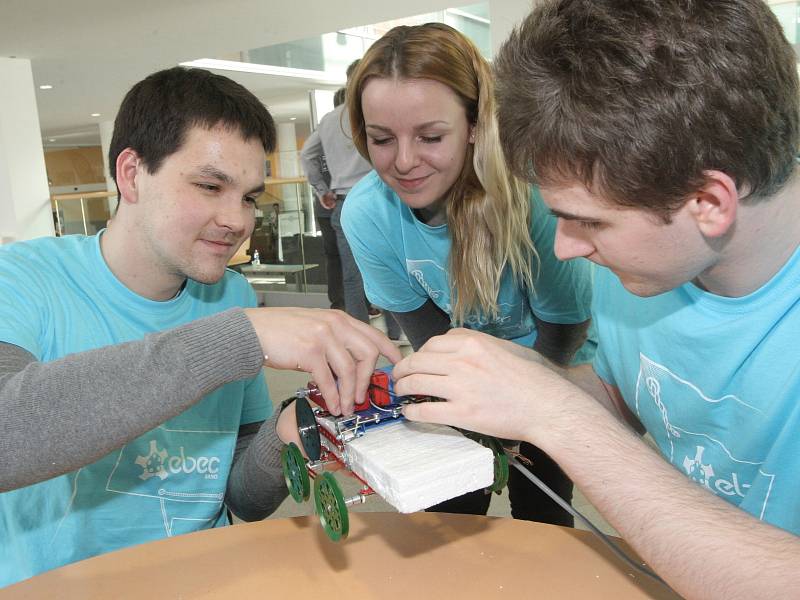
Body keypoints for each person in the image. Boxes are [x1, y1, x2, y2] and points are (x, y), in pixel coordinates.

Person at [393, 1, 800, 597]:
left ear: (709, 203)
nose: (565, 248)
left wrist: (558, 416)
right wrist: (519, 382)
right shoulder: (651, 260)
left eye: (588, 223)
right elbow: (629, 393)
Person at [0, 66, 400, 587]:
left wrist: (292, 429)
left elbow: (240, 498)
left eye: (250, 196)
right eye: (211, 185)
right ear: (131, 174)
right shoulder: (23, 279)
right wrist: (241, 338)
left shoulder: (230, 295)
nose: (237, 220)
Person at [341, 23, 594, 525]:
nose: (404, 162)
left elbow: (564, 325)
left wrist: (522, 411)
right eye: (381, 139)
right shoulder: (366, 214)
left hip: (554, 360)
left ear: (475, 124)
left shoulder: (532, 194)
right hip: (459, 363)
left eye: (431, 136)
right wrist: (465, 404)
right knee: (450, 509)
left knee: (542, 507)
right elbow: (428, 334)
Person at [300, 61, 404, 342]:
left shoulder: (330, 119)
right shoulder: (376, 114)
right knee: (392, 266)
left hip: (345, 203)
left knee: (351, 274)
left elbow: (307, 155)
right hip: (381, 199)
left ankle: (360, 335)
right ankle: (397, 331)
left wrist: (321, 187)